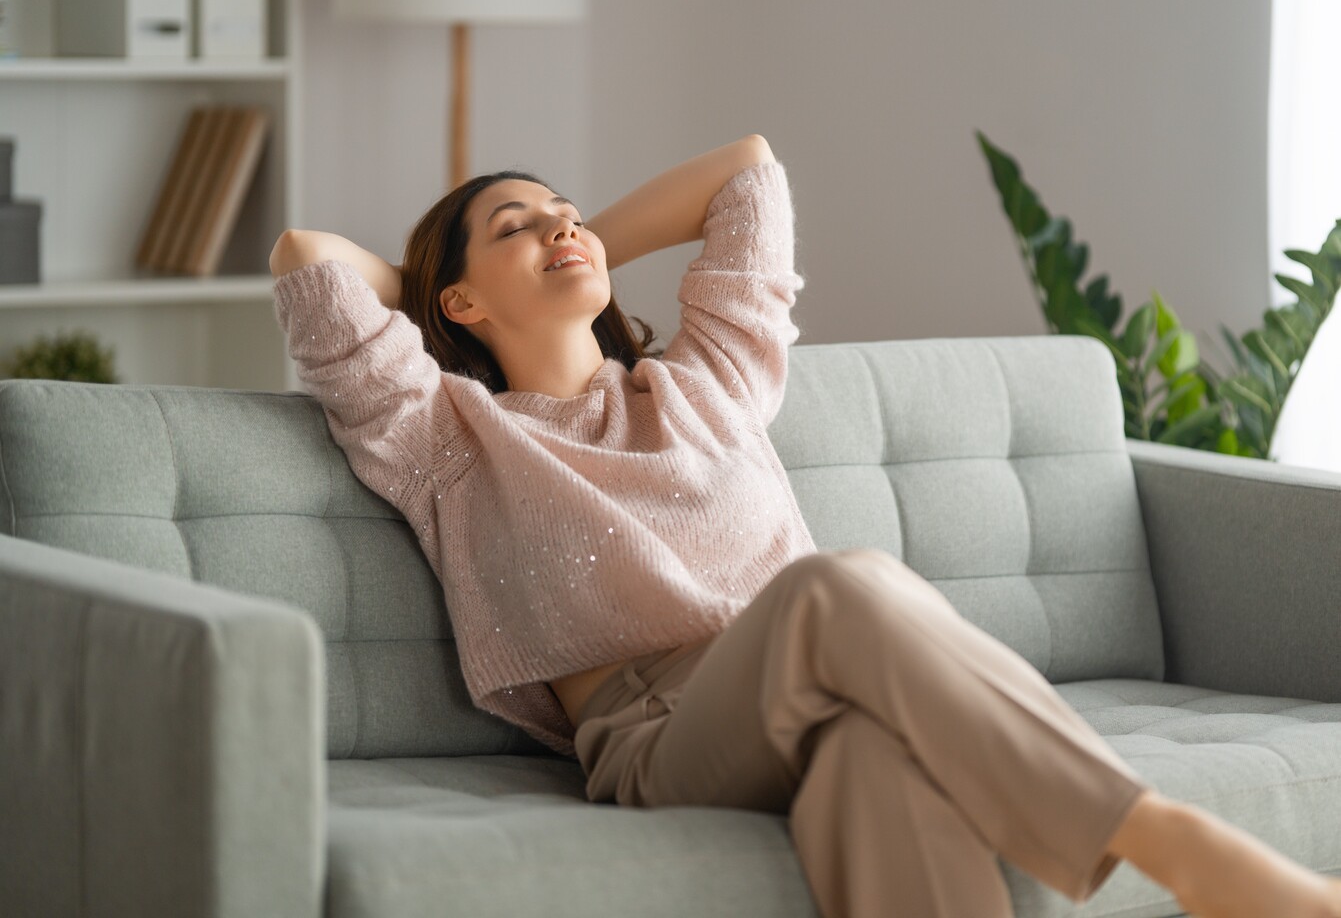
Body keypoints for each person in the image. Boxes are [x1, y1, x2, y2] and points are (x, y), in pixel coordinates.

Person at [270, 135, 1341, 918]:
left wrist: (571, 239)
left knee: (873, 761)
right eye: (518, 227)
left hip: (821, 685)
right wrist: (430, 287)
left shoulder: (708, 383)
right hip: (657, 734)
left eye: (568, 210)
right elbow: (306, 256)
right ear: (457, 306)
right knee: (837, 586)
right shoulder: (450, 437)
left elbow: (747, 168)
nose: (560, 225)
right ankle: (1174, 844)